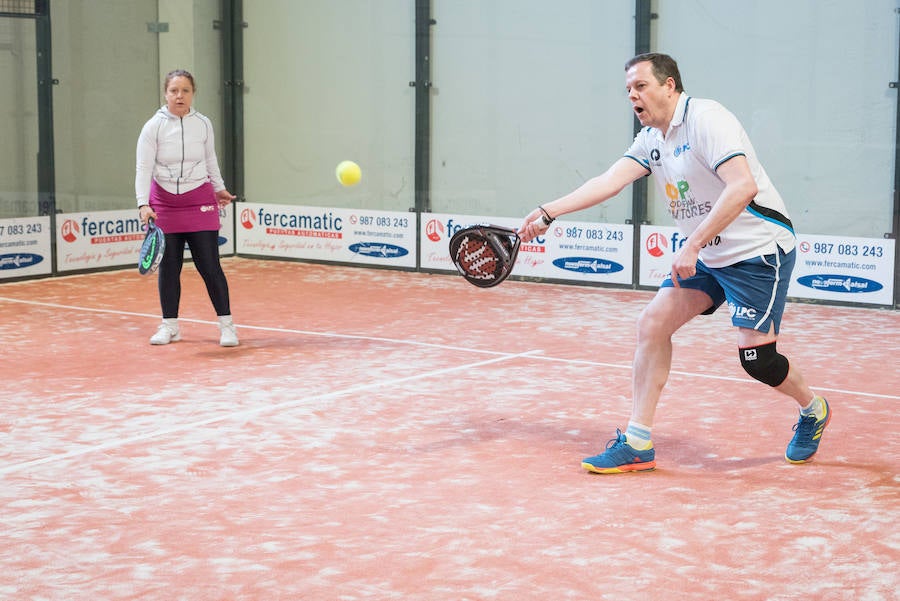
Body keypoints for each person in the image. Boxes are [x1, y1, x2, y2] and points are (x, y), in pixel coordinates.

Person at [519, 53, 830, 473]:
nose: (633, 95)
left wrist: (693, 244)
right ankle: (637, 442)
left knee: (758, 361)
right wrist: (548, 213)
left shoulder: (707, 120)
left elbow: (743, 186)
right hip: (708, 254)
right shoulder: (651, 139)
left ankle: (812, 408)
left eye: (640, 86)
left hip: (757, 251)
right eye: (628, 89)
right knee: (652, 324)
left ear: (669, 85)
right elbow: (609, 181)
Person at [135, 69, 239, 347]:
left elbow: (210, 159)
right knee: (169, 268)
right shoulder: (153, 127)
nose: (179, 96)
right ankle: (170, 326)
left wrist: (219, 188)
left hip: (199, 202)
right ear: (165, 93)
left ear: (193, 93)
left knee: (210, 266)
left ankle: (227, 327)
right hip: (164, 204)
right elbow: (143, 168)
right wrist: (143, 203)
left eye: (185, 91)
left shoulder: (203, 124)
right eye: (174, 91)